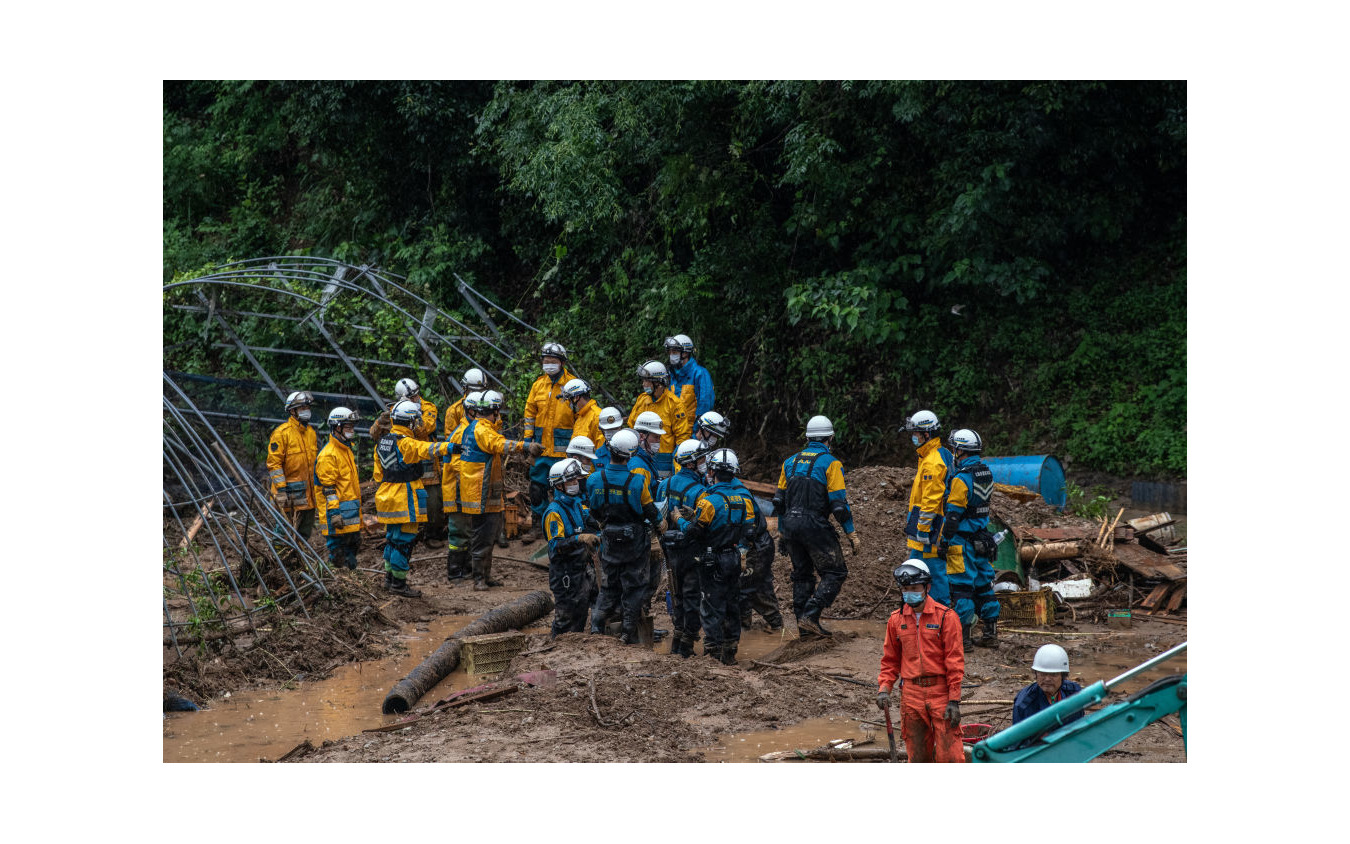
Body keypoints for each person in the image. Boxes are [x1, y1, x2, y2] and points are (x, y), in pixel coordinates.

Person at [772, 415, 860, 638]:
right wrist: (851, 534)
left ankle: (804, 630)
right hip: (814, 525)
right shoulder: (831, 464)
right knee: (836, 572)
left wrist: (782, 533)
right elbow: (839, 506)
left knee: (802, 575)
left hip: (790, 525)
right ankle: (810, 615)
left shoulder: (789, 462)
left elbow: (779, 503)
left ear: (808, 437)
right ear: (830, 438)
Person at [876, 561, 966, 763]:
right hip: (911, 695)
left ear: (927, 588)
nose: (909, 593)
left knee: (950, 756)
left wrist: (954, 699)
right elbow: (890, 659)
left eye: (914, 589)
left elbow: (954, 661)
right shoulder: (896, 620)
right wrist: (884, 688)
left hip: (940, 693)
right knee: (917, 756)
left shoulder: (946, 617)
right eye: (905, 589)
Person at [458, 390, 543, 590]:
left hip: (485, 490)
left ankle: (485, 576)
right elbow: (498, 444)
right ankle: (479, 578)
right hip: (481, 491)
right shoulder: (482, 430)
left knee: (488, 536)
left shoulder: (476, 427)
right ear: (494, 411)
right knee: (482, 537)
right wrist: (525, 446)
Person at [677, 447, 754, 665]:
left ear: (712, 472)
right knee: (732, 604)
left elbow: (695, 532)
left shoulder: (708, 502)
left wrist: (679, 519)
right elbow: (748, 531)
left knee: (711, 605)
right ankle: (730, 652)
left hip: (713, 559)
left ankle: (712, 654)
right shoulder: (744, 500)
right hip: (734, 557)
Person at [586, 429, 663, 644]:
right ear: (630, 455)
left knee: (609, 585)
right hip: (635, 542)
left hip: (609, 539)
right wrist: (662, 525)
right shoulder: (637, 482)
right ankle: (628, 632)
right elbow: (650, 511)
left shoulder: (594, 479)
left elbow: (593, 511)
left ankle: (596, 627)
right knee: (635, 586)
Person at [375, 399, 456, 597]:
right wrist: (451, 447)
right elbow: (428, 449)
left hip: (386, 496)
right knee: (404, 542)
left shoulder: (382, 442)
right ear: (410, 422)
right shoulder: (407, 443)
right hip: (404, 498)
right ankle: (399, 584)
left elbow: (378, 474)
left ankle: (389, 579)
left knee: (392, 539)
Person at [940, 428, 1000, 647]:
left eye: (954, 448)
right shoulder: (986, 473)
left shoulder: (961, 479)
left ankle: (963, 639)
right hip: (982, 539)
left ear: (959, 450)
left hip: (961, 541)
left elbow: (954, 516)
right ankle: (991, 634)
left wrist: (944, 541)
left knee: (961, 588)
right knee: (985, 585)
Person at [659, 439, 708, 657]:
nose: (705, 462)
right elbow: (704, 526)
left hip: (669, 550)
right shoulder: (701, 491)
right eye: (701, 459)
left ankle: (677, 642)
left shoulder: (663, 485)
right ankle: (687, 645)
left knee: (676, 593)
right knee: (692, 596)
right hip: (692, 549)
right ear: (691, 463)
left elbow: (658, 518)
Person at [523, 342, 577, 536]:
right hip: (541, 448)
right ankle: (538, 525)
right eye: (546, 361)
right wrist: (528, 440)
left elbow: (580, 415)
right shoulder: (538, 385)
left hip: (564, 451)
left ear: (562, 363)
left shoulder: (572, 385)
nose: (549, 364)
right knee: (537, 488)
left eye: (553, 361)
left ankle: (565, 524)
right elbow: (529, 413)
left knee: (564, 488)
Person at [544, 458, 601, 637]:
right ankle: (555, 650)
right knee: (565, 620)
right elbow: (556, 545)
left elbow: (589, 522)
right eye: (572, 481)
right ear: (559, 485)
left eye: (577, 480)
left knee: (582, 615)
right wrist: (580, 538)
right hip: (565, 574)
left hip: (582, 568)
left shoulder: (576, 503)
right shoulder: (554, 512)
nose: (576, 484)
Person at [904, 409, 954, 607]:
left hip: (931, 529)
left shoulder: (933, 461)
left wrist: (924, 530)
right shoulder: (934, 455)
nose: (913, 438)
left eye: (916, 434)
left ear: (926, 434)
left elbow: (931, 499)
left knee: (933, 571)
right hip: (927, 526)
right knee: (915, 567)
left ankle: (940, 611)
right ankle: (919, 608)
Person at [394, 377, 447, 544]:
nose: (415, 399)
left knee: (434, 501)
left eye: (416, 396)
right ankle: (411, 534)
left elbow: (425, 430)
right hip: (408, 461)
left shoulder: (428, 407)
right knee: (409, 499)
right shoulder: (396, 411)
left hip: (429, 461)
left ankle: (433, 534)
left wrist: (413, 415)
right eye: (411, 398)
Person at [733, 472, 783, 634]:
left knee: (747, 586)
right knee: (756, 583)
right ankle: (751, 622)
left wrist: (742, 550)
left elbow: (746, 528)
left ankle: (747, 624)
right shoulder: (733, 489)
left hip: (755, 547)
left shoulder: (737, 494)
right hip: (758, 545)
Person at [629, 411, 668, 611]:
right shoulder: (639, 466)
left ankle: (641, 617)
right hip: (643, 530)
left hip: (646, 528)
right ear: (642, 436)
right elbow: (642, 502)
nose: (658, 441)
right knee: (645, 579)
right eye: (655, 437)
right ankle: (638, 620)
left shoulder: (645, 461)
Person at [267, 390, 319, 540]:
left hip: (308, 495)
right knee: (284, 533)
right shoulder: (282, 433)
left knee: (303, 534)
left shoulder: (311, 433)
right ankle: (277, 561)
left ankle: (298, 561)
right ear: (292, 411)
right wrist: (281, 491)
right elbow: (274, 464)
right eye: (302, 408)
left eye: (307, 408)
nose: (306, 411)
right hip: (289, 495)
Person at [315, 407, 363, 570]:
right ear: (337, 427)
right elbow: (328, 489)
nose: (352, 430)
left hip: (349, 510)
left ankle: (350, 577)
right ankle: (334, 578)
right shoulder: (329, 455)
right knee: (337, 550)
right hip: (337, 512)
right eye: (348, 427)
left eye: (352, 427)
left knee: (353, 545)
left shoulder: (346, 449)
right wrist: (334, 513)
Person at [627, 360, 690, 478]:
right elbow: (632, 427)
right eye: (643, 380)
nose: (643, 384)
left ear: (658, 383)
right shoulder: (642, 400)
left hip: (664, 459)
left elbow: (682, 438)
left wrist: (677, 467)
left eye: (647, 381)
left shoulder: (674, 404)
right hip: (641, 455)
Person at [1012, 645, 1084, 742]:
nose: (1047, 679)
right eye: (1042, 674)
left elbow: (1078, 728)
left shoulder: (1074, 693)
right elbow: (1017, 741)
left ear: (1062, 676)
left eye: (1053, 675)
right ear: (1036, 674)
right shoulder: (1024, 704)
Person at [441, 392, 478, 582]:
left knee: (470, 529)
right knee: (459, 531)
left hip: (468, 488)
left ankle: (468, 568)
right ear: (470, 410)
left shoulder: (474, 429)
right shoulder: (461, 433)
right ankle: (454, 570)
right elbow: (456, 464)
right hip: (457, 488)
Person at [664, 334, 715, 424]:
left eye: (674, 352)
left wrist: (695, 433)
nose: (671, 355)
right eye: (670, 352)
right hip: (675, 430)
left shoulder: (700, 373)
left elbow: (705, 405)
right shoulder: (672, 374)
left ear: (685, 353)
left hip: (691, 431)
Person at [443, 368, 489, 439]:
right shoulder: (454, 410)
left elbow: (496, 429)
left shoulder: (489, 405)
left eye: (481, 391)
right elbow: (450, 440)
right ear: (465, 389)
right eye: (475, 391)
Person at [561, 377, 602, 447]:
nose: (569, 404)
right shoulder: (580, 417)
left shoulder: (597, 416)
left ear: (576, 397)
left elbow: (601, 450)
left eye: (570, 400)